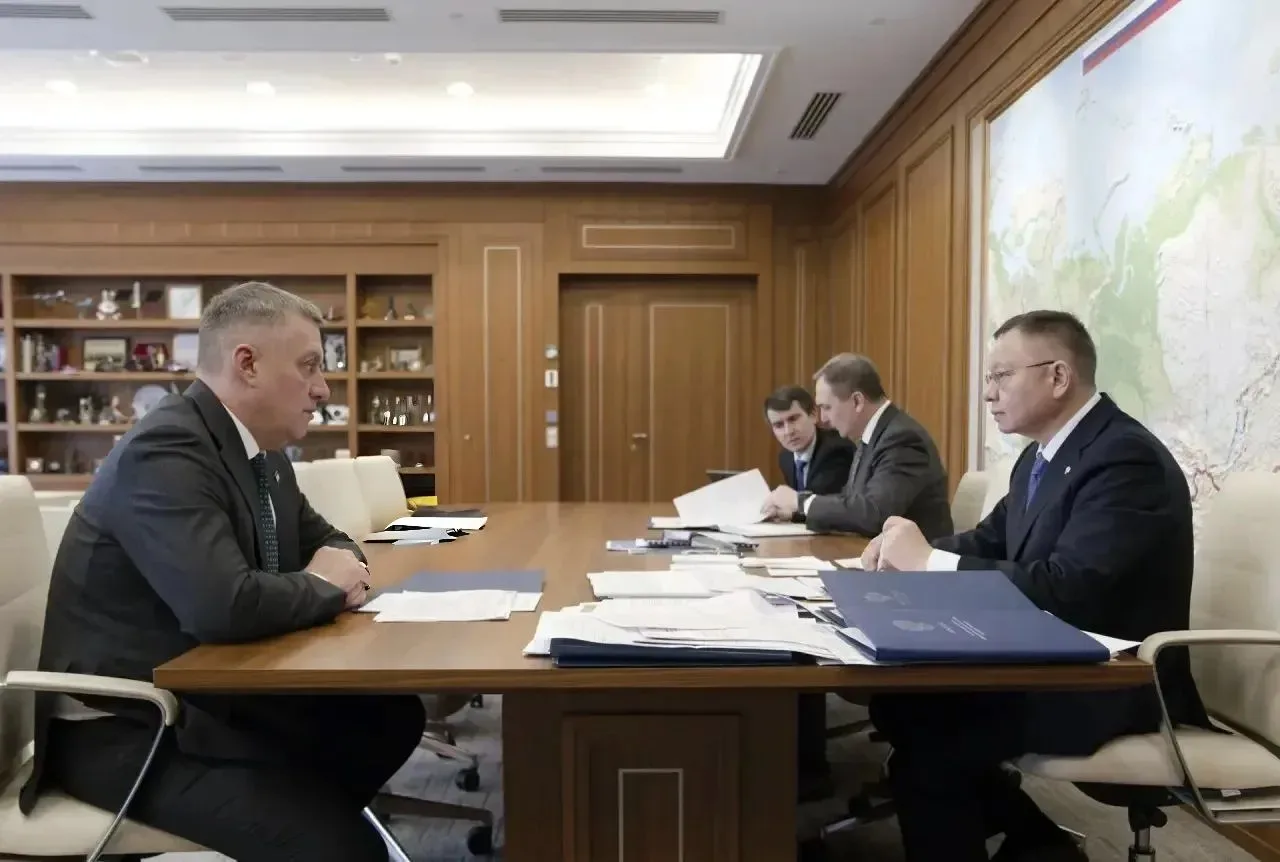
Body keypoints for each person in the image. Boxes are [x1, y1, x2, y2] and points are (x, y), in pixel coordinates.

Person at [21, 282, 425, 861]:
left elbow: (331, 542)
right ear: (247, 364)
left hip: (207, 697)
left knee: (388, 718)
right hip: (129, 728)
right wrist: (323, 585)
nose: (323, 387)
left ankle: (290, 818)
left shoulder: (263, 456)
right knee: (343, 847)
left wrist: (335, 570)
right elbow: (224, 605)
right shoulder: (167, 449)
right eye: (309, 365)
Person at [861, 310, 1209, 862]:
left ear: (1058, 376)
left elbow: (1069, 589)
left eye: (1001, 376)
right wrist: (903, 553)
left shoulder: (1126, 458)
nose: (989, 394)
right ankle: (1039, 844)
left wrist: (927, 561)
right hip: (1052, 662)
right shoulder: (1041, 456)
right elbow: (989, 539)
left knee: (931, 740)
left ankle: (1037, 843)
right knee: (901, 707)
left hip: (1115, 684)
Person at [762, 353, 952, 539]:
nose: (823, 419)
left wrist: (802, 502)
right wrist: (796, 512)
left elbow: (875, 513)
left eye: (827, 407)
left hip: (914, 558)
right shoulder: (875, 436)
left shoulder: (901, 439)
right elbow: (850, 502)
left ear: (857, 401)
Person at [764, 384, 854, 497]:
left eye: (793, 419)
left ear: (813, 415)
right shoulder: (786, 457)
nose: (788, 431)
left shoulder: (837, 450)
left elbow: (816, 500)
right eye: (779, 425)